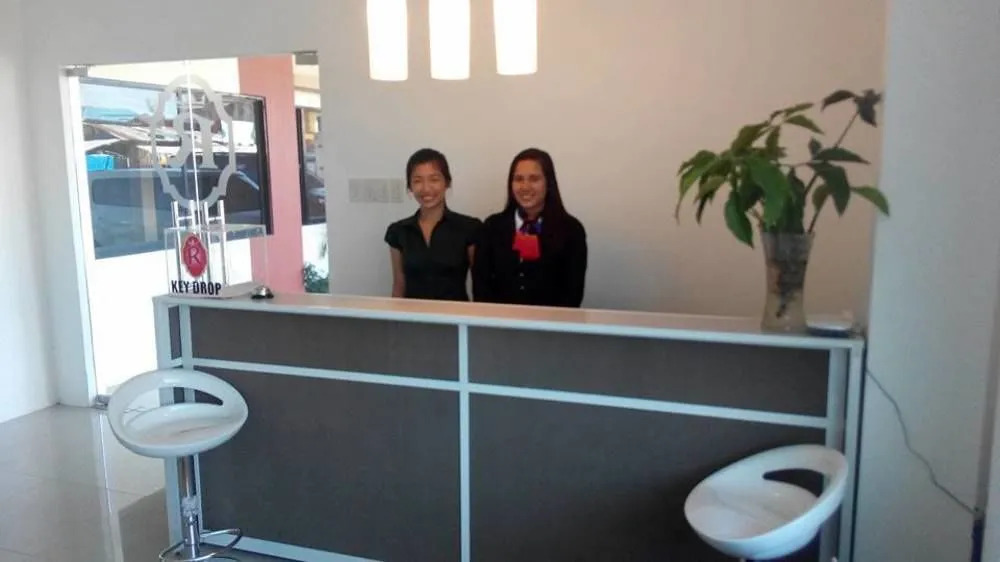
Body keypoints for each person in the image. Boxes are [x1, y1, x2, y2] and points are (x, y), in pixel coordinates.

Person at [473, 148, 587, 307]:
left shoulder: (571, 230)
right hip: (500, 319)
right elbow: (481, 286)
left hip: (551, 320)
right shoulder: (492, 227)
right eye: (518, 179)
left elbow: (572, 294)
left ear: (548, 183)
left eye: (534, 179)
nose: (525, 186)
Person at [385, 148, 482, 301]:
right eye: (418, 181)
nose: (426, 188)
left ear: (447, 182)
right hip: (413, 314)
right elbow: (398, 286)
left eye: (434, 179)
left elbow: (480, 285)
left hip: (456, 314)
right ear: (410, 186)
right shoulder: (398, 232)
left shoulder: (469, 228)